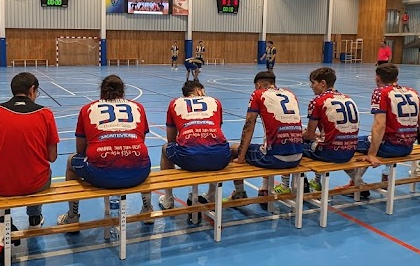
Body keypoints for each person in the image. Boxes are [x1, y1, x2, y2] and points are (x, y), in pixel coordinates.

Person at [58, 75, 152, 229]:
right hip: (138, 173)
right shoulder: (138, 107)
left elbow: (80, 150)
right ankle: (147, 209)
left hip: (100, 175)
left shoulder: (87, 109)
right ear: (123, 92)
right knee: (141, 157)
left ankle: (73, 216)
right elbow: (142, 139)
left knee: (71, 162)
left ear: (101, 92)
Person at [0, 72, 59, 227]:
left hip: (1, 185)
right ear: (32, 90)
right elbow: (52, 156)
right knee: (41, 171)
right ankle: (34, 216)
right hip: (36, 184)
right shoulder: (45, 114)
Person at [346, 64, 420, 196]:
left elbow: (379, 125)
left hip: (389, 147)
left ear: (377, 78)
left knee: (347, 145)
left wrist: (372, 155)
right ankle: (363, 180)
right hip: (407, 147)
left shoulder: (381, 93)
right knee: (368, 142)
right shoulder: (413, 92)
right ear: (396, 78)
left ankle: (358, 183)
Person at [149, 80, 230, 211]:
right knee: (215, 147)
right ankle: (211, 194)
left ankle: (168, 198)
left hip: (188, 158)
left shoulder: (175, 103)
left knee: (166, 149)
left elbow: (171, 139)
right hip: (220, 159)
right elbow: (217, 129)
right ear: (199, 91)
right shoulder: (215, 102)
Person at [229, 71, 304, 202]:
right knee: (267, 144)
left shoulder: (258, 94)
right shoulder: (290, 94)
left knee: (234, 149)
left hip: (275, 158)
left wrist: (240, 158)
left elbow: (248, 126)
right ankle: (266, 188)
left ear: (258, 85)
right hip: (298, 156)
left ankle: (239, 193)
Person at [302, 67, 359, 191]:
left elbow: (309, 135)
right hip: (350, 150)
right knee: (319, 141)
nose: (311, 86)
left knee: (294, 145)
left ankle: (301, 183)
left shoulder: (318, 101)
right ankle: (359, 181)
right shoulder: (348, 98)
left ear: (323, 83)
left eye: (313, 83)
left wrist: (299, 134)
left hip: (330, 152)